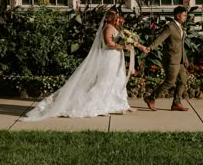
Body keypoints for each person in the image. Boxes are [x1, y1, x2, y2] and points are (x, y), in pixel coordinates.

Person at [20, 9, 148, 120]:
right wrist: (123, 46)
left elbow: (129, 39)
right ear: (113, 18)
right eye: (118, 17)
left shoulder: (117, 29)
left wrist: (141, 47)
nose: (120, 19)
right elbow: (109, 43)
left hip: (116, 57)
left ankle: (119, 104)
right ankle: (98, 106)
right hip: (109, 57)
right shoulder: (108, 28)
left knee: (117, 80)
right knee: (105, 81)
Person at [143, 6, 189, 112]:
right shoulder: (170, 27)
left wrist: (185, 58)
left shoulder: (180, 27)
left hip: (180, 59)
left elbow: (181, 44)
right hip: (172, 59)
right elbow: (160, 38)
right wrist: (150, 47)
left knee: (182, 81)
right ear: (177, 16)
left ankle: (176, 103)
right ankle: (151, 98)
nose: (185, 17)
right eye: (184, 15)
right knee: (170, 82)